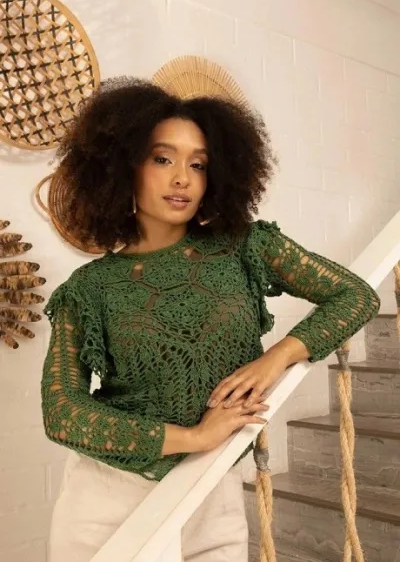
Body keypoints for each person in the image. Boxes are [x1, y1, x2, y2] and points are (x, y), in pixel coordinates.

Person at [41, 77, 380, 562]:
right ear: (123, 167)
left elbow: (355, 295)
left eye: (198, 164)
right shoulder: (88, 288)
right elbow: (62, 412)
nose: (182, 178)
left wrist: (278, 357)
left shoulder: (245, 247)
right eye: (163, 159)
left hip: (213, 487)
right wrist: (195, 436)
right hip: (108, 500)